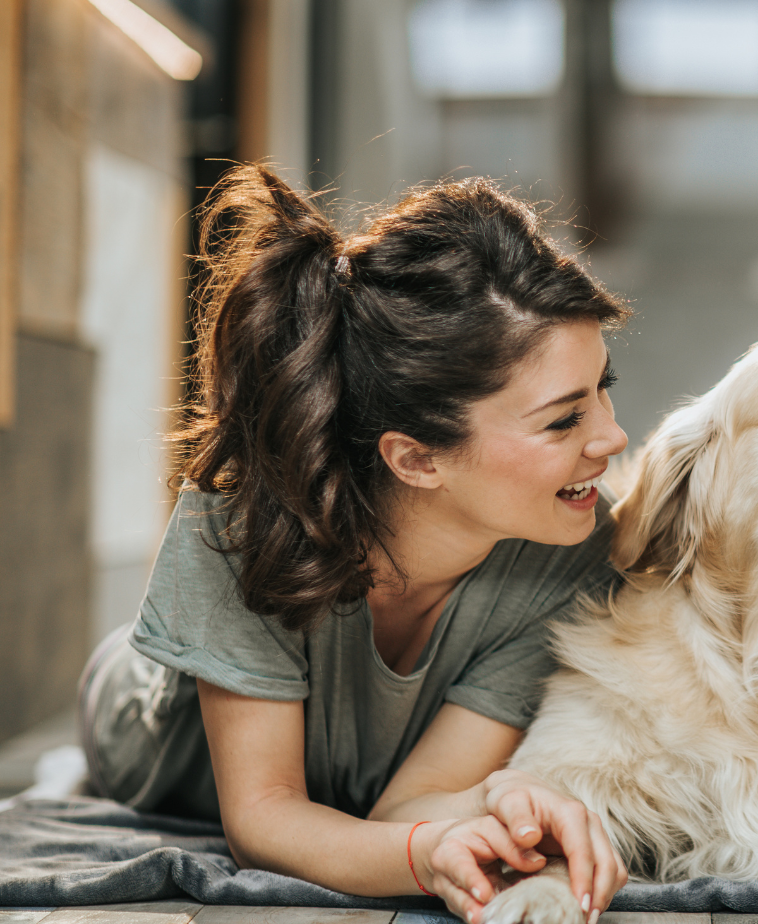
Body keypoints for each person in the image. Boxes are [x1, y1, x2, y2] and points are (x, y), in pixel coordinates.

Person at [78, 167, 629, 923]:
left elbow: (405, 807)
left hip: (360, 771)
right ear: (416, 458)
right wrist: (424, 852)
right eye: (563, 419)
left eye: (605, 385)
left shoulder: (576, 553)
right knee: (120, 679)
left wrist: (501, 802)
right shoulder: (238, 524)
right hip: (145, 730)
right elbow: (263, 820)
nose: (613, 435)